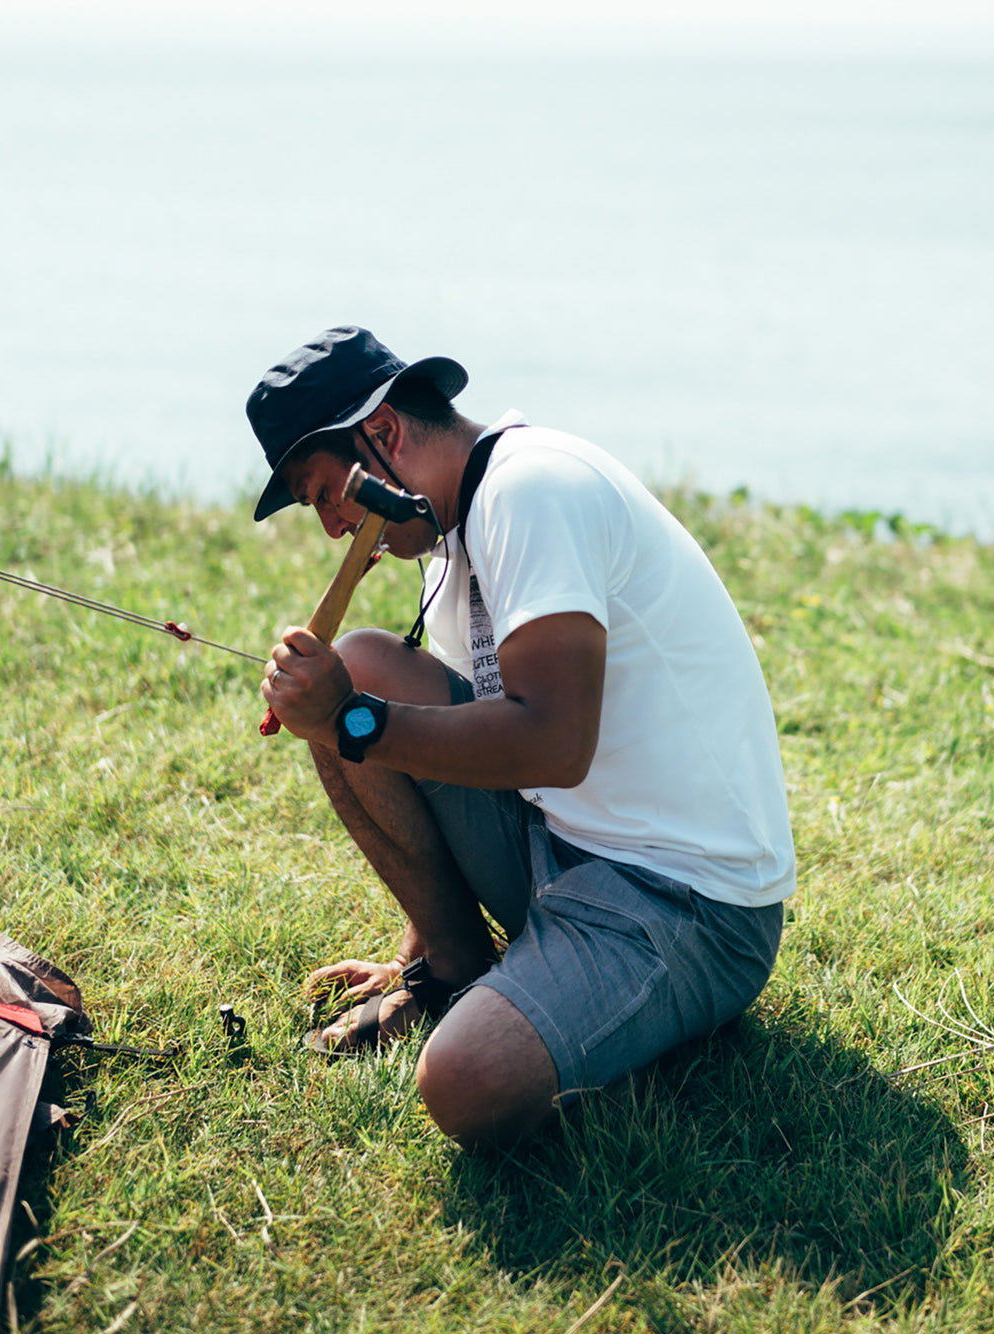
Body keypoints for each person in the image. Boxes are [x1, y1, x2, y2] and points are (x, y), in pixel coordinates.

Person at [249, 326, 795, 1148]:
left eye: (325, 492)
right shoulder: (453, 535)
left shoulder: (532, 492)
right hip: (562, 844)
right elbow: (460, 741)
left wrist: (349, 722)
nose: (332, 528)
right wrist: (417, 945)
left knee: (463, 1083)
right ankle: (454, 970)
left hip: (683, 902)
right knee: (362, 661)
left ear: (385, 435)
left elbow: (552, 744)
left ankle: (602, 1027)